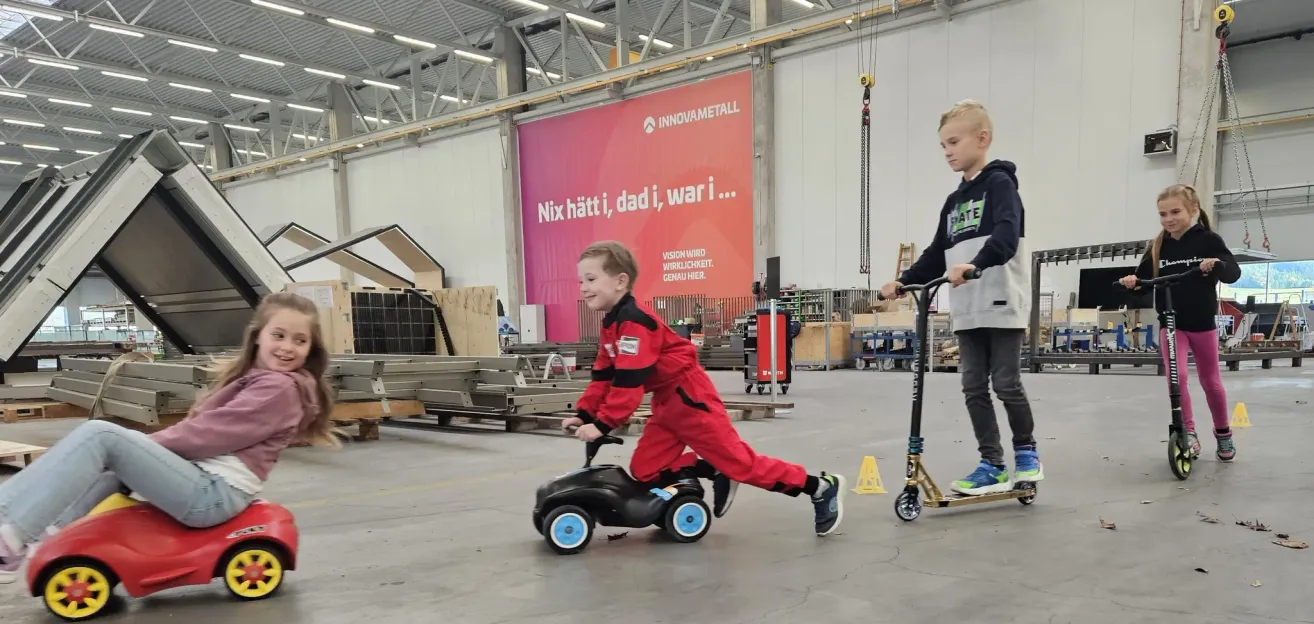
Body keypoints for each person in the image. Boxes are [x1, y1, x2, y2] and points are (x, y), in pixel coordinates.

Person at [0, 292, 339, 583]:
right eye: (278, 335)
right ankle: (42, 530)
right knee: (106, 456)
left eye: (300, 340)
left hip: (213, 493)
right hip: (206, 482)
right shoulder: (260, 378)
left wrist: (139, 446)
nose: (287, 347)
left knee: (100, 436)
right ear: (258, 336)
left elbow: (206, 436)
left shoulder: (278, 389)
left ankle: (12, 542)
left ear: (310, 349)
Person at [563, 241, 847, 536]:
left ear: (621, 281)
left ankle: (820, 487)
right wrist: (584, 414)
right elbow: (602, 378)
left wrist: (602, 424)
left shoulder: (635, 324)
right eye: (581, 281)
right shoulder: (612, 326)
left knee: (743, 465)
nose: (583, 288)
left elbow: (629, 384)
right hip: (666, 405)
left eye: (591, 279)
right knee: (645, 468)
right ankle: (714, 470)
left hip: (691, 400)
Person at [881, 99, 1041, 496]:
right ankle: (992, 464)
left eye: (954, 142)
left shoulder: (1001, 185)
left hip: (1001, 301)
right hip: (967, 308)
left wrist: (976, 265)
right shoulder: (953, 203)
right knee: (972, 386)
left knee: (1005, 383)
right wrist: (902, 282)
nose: (948, 151)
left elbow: (1006, 236)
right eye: (943, 145)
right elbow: (937, 253)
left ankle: (1026, 453)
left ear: (982, 139)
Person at [1119, 184, 1241, 461]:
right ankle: (1188, 432)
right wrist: (1131, 283)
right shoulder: (1157, 246)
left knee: (1211, 382)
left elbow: (1233, 272)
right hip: (1171, 325)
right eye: (1163, 214)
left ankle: (1223, 433)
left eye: (1175, 212)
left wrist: (1217, 265)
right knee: (1178, 379)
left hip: (1203, 324)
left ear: (1193, 210)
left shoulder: (1208, 240)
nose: (1168, 219)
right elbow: (1142, 282)